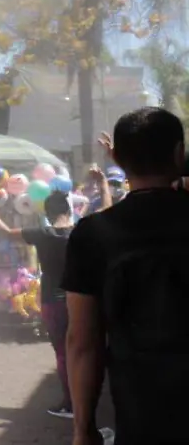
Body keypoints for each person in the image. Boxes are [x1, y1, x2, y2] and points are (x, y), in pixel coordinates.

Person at [63, 107, 189, 445]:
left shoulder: (93, 234)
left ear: (116, 158)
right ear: (180, 153)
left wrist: (83, 429)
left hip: (140, 412)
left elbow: (82, 341)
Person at [0, 192, 74, 419]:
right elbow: (105, 212)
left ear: (48, 213)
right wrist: (103, 186)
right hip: (80, 300)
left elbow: (6, 232)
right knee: (82, 351)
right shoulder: (82, 230)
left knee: (62, 353)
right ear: (68, 210)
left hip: (53, 301)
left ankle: (70, 403)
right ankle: (83, 400)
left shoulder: (42, 234)